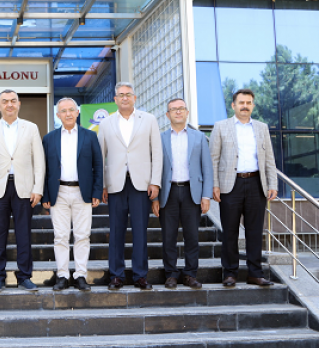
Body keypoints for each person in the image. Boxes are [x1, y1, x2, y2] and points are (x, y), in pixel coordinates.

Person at [210, 88, 278, 287]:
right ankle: (230, 273)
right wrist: (214, 185)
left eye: (248, 103)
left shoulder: (261, 128)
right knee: (230, 231)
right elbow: (213, 159)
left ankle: (255, 273)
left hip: (257, 184)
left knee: (255, 231)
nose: (245, 106)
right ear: (233, 105)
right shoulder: (221, 127)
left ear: (253, 106)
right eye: (241, 103)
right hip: (230, 185)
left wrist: (272, 183)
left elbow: (269, 159)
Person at [98, 82, 162, 291]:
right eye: (121, 95)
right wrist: (102, 185)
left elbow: (157, 153)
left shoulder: (149, 120)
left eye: (128, 94)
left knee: (140, 232)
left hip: (141, 184)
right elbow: (100, 156)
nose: (124, 98)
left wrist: (155, 182)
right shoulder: (106, 123)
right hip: (115, 184)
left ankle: (140, 275)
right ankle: (116, 275)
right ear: (115, 99)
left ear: (134, 98)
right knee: (116, 232)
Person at [0, 89, 45, 292]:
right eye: (5, 101)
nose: (9, 104)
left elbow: (39, 160)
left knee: (23, 235)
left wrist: (38, 188)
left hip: (24, 188)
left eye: (13, 100)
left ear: (19, 104)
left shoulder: (31, 128)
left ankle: (24, 276)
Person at [42, 97, 103, 292]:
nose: (68, 114)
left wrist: (96, 191)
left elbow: (98, 165)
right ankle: (62, 275)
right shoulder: (49, 138)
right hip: (58, 192)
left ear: (77, 112)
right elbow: (44, 169)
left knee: (82, 235)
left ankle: (80, 275)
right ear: (58, 115)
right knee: (60, 236)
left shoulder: (90, 136)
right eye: (63, 111)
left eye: (71, 110)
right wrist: (45, 195)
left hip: (82, 192)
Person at [151, 98, 212, 289]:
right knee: (168, 236)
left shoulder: (199, 137)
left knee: (192, 236)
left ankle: (190, 274)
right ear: (167, 115)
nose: (178, 112)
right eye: (173, 109)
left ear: (187, 113)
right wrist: (155, 197)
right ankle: (171, 274)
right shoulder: (159, 138)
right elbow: (154, 167)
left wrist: (206, 195)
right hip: (167, 193)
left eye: (181, 108)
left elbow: (207, 168)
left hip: (191, 192)